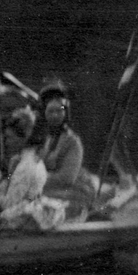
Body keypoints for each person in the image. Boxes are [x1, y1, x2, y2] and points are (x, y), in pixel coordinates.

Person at [37, 80, 95, 218]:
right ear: (44, 113)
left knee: (30, 196)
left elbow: (66, 178)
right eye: (51, 111)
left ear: (66, 113)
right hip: (49, 188)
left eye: (60, 111)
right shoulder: (44, 138)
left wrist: (35, 179)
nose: (55, 115)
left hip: (72, 191)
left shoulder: (72, 142)